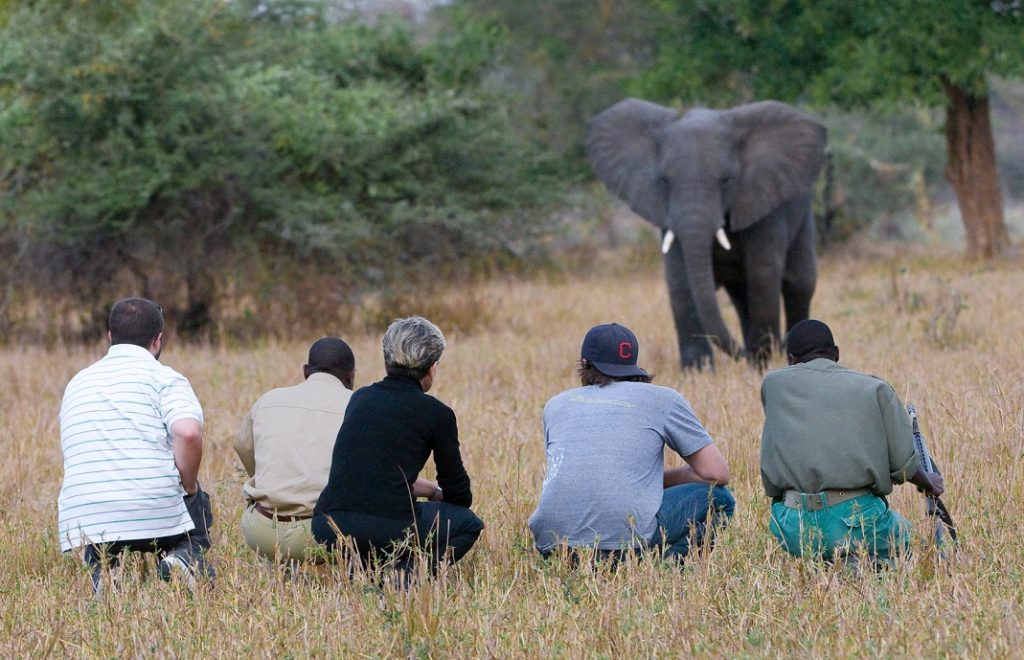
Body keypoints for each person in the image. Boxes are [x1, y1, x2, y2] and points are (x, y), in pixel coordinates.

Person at [529, 323, 735, 562]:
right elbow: (716, 473)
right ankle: (664, 570)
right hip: (624, 546)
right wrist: (659, 481)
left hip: (552, 547)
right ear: (632, 364)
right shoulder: (663, 398)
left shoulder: (556, 404)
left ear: (584, 364)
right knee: (720, 499)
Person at [57, 298, 213, 592]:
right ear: (157, 341)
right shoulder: (165, 378)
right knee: (196, 503)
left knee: (104, 513)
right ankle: (184, 558)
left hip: (85, 520)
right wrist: (189, 486)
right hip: (151, 507)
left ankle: (104, 571)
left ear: (110, 337)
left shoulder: (77, 382)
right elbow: (189, 433)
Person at [759, 319, 944, 565]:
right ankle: (864, 563)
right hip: (854, 520)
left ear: (791, 359)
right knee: (922, 551)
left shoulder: (772, 385)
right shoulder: (875, 389)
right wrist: (928, 482)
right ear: (836, 353)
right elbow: (904, 464)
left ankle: (833, 563)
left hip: (791, 527)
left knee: (832, 556)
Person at [312, 316, 484, 577]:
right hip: (389, 529)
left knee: (370, 526)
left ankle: (362, 571)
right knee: (470, 524)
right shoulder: (437, 413)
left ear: (386, 361)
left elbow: (369, 471)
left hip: (327, 525)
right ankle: (404, 578)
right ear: (433, 368)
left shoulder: (360, 398)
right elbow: (459, 495)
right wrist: (436, 494)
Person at [235, 337, 357, 563]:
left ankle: (280, 581)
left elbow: (242, 446)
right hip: (325, 533)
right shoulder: (357, 405)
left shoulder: (269, 399)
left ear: (305, 371)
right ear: (351, 376)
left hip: (261, 532)